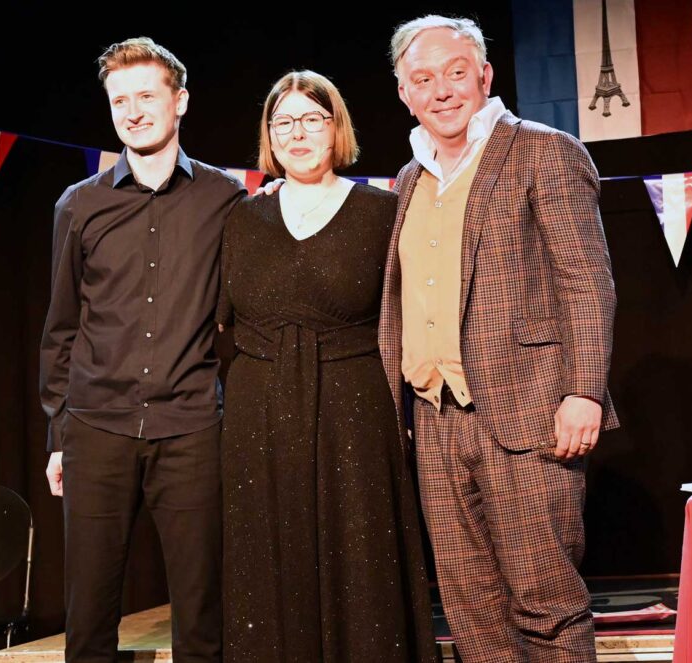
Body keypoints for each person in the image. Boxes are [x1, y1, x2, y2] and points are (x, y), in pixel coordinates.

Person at [378, 15, 619, 663]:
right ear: (404, 93)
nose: (442, 91)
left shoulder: (543, 150)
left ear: (484, 76)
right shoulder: (408, 180)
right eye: (422, 79)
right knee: (471, 609)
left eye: (456, 73)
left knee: (545, 601)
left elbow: (587, 282)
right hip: (435, 419)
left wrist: (583, 392)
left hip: (532, 412)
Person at [216, 70, 437, 662]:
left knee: (361, 559)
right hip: (257, 413)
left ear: (336, 127)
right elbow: (223, 322)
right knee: (266, 562)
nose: (298, 133)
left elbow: (415, 312)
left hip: (355, 405)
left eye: (312, 119)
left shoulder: (382, 211)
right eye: (283, 121)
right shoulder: (242, 218)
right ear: (269, 134)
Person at [39, 37, 244, 662]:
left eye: (146, 95)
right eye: (119, 100)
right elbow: (61, 327)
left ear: (179, 101)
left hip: (190, 429)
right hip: (96, 429)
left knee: (202, 613)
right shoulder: (79, 204)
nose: (132, 111)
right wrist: (58, 434)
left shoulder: (225, 199)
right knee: (91, 615)